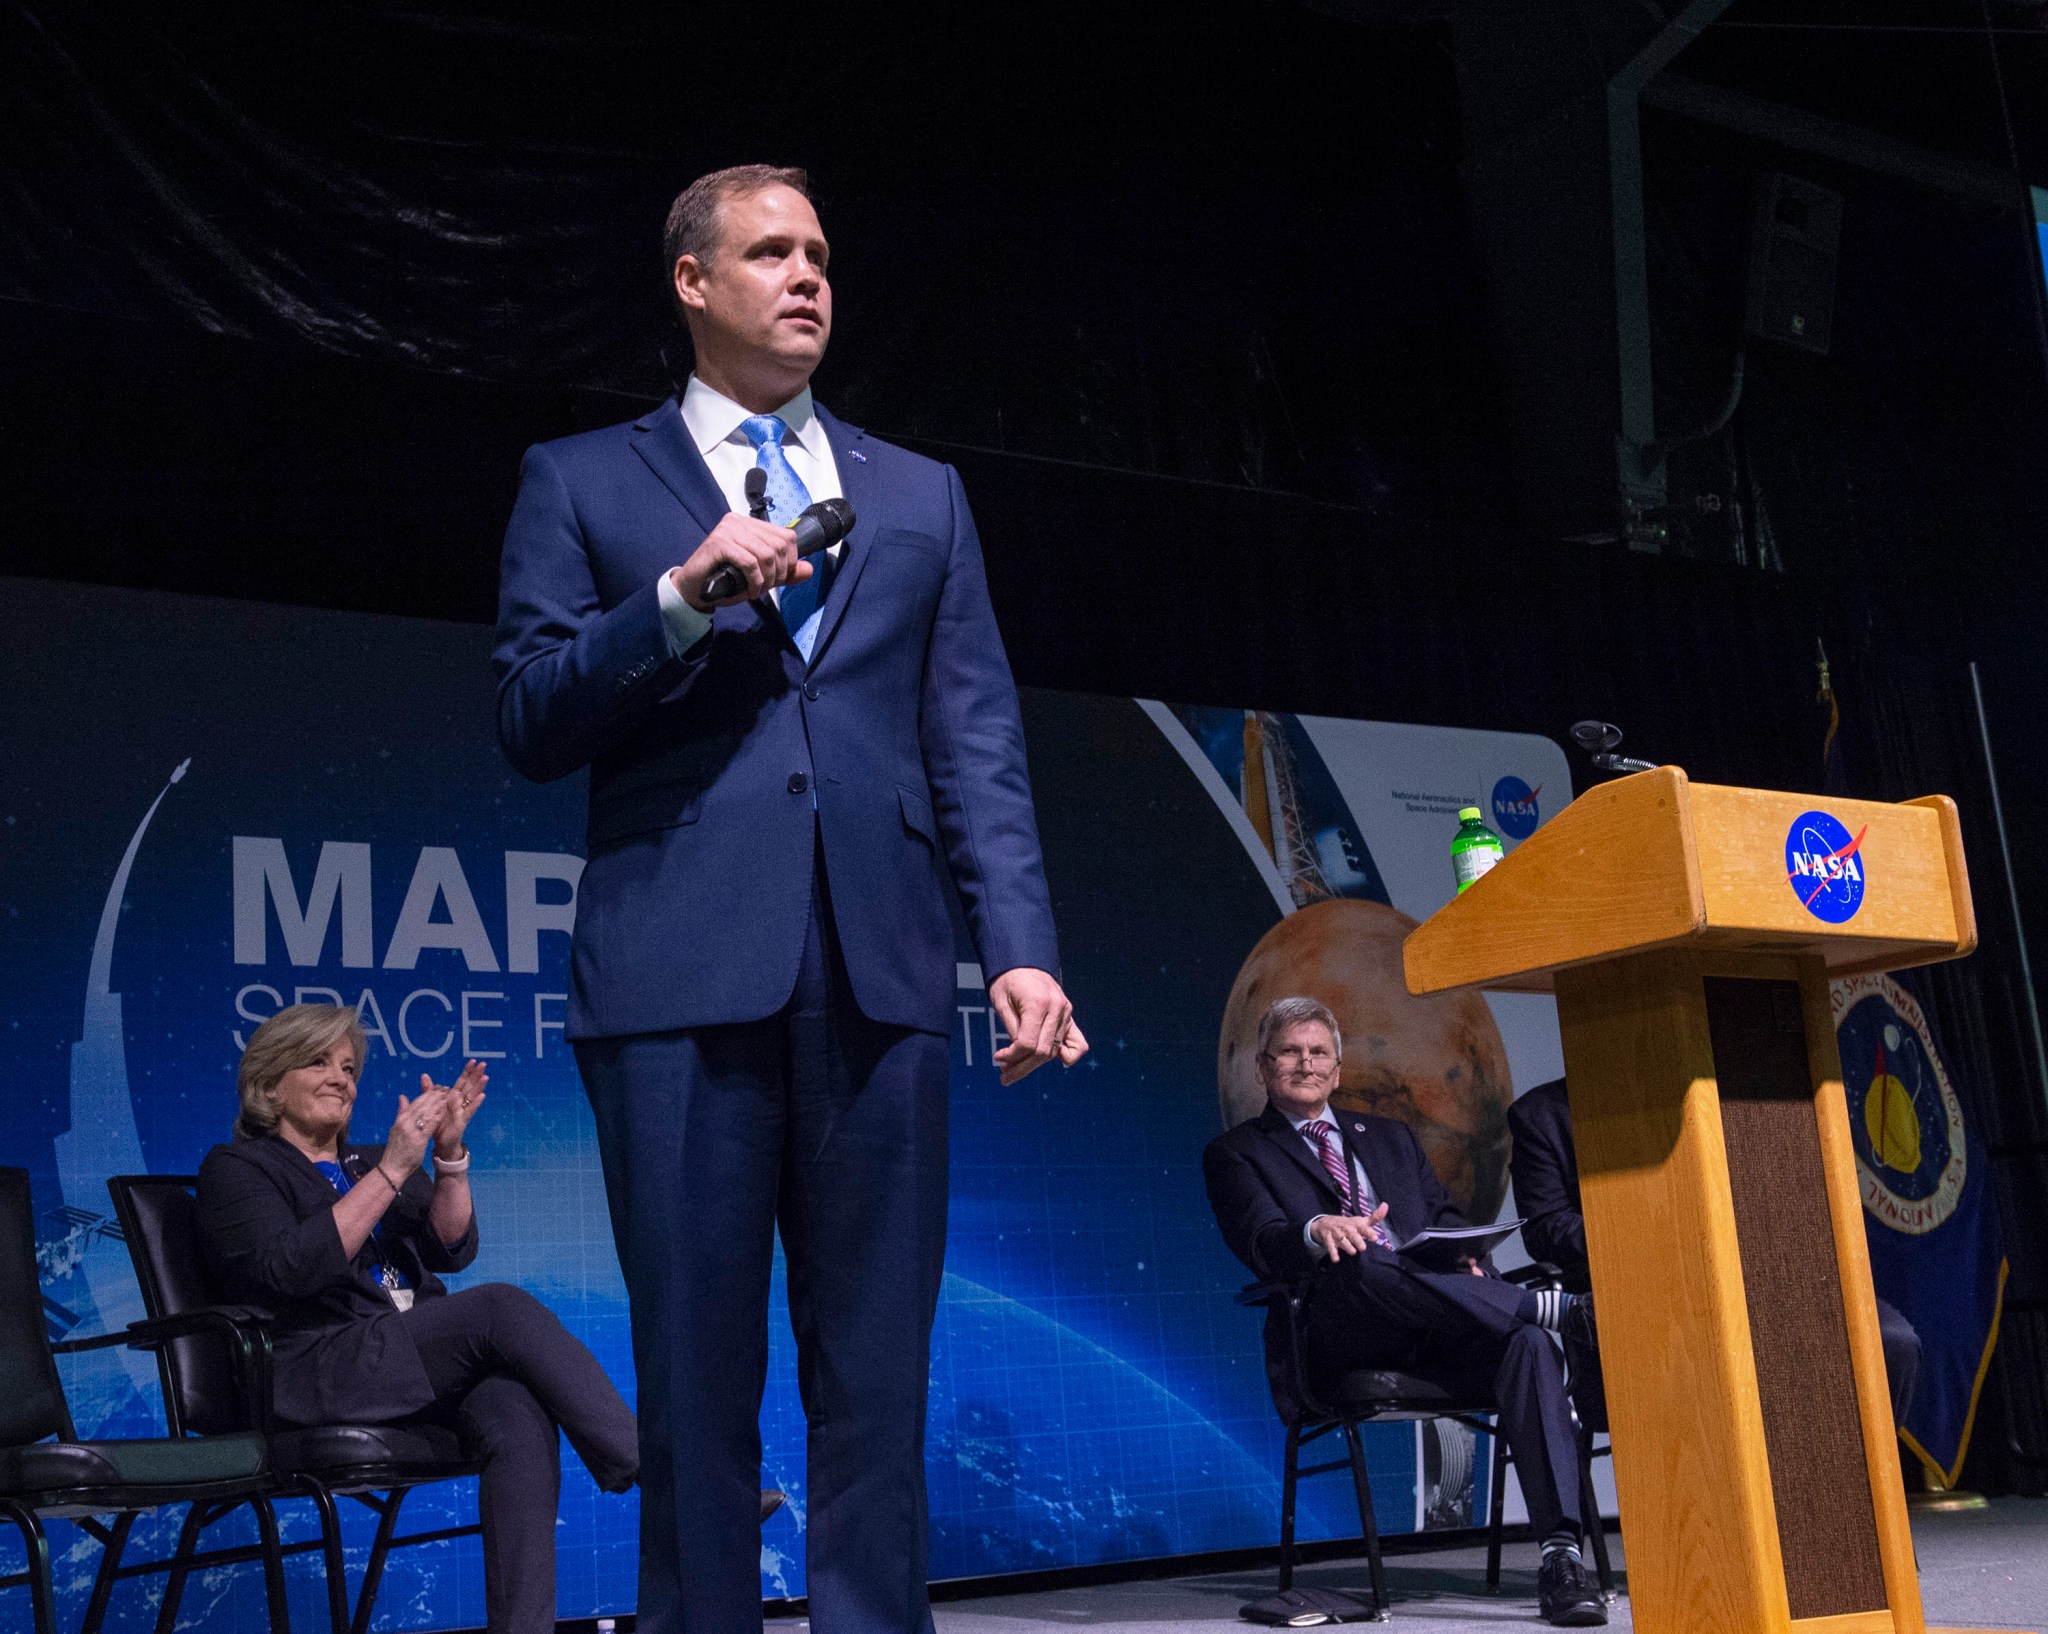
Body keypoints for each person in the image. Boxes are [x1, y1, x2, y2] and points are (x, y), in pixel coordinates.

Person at [492, 164, 1086, 1634]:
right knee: (695, 1375)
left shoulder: (923, 494)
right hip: (677, 977)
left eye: (819, 251)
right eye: (769, 251)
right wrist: (680, 598)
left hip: (882, 974)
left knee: (878, 1371)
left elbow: (976, 738)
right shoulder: (582, 479)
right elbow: (528, 715)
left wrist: (1018, 946)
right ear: (692, 283)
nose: (807, 274)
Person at [198, 1003, 640, 1634]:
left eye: (349, 1067)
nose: (341, 1078)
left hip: (403, 1359)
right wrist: (395, 1169)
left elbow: (451, 1248)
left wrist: (450, 1155)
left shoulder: (364, 1162)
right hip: (317, 1366)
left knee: (514, 1406)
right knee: (498, 1307)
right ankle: (663, 1479)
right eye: (318, 1061)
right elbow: (290, 1272)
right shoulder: (239, 1169)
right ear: (269, 1085)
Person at [1204, 997, 1606, 1628]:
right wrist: (1316, 1229)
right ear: (1262, 1067)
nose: (1305, 1064)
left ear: (1337, 1070)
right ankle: (1543, 1307)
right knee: (1359, 1258)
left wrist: (1468, 1256)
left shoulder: (1389, 1137)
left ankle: (1560, 1559)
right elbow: (1261, 1241)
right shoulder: (1236, 1153)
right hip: (1345, 1334)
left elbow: (1442, 1222)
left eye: (1318, 1053)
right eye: (1289, 1052)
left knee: (1527, 1347)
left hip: (1439, 1326)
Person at [1508, 1076, 1922, 1424]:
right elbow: (1546, 1229)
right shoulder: (1541, 1115)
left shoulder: (1701, 1090)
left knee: (1890, 1340)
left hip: (1748, 1281)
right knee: (1737, 1360)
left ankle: (1852, 1490)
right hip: (1639, 1305)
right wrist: (1655, 1236)